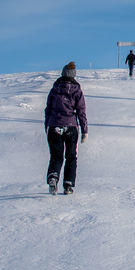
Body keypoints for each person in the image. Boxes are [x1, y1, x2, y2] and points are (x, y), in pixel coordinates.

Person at [44, 61, 88, 194]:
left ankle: (53, 176)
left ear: (62, 74)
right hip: (70, 126)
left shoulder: (54, 90)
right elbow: (81, 111)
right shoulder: (76, 90)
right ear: (74, 76)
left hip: (54, 126)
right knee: (71, 156)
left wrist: (47, 126)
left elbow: (48, 109)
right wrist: (84, 131)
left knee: (56, 155)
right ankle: (68, 184)